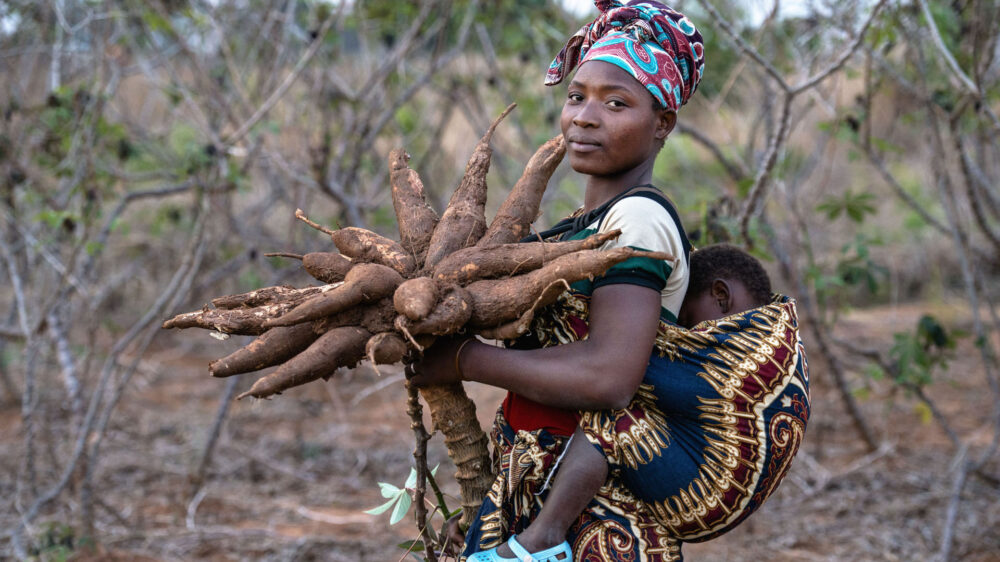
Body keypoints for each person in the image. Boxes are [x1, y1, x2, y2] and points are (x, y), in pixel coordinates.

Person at [411, 2, 808, 560]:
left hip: (598, 522)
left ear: (662, 123)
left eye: (616, 103)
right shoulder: (584, 227)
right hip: (534, 488)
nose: (584, 117)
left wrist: (463, 361)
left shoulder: (639, 221)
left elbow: (608, 379)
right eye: (577, 97)